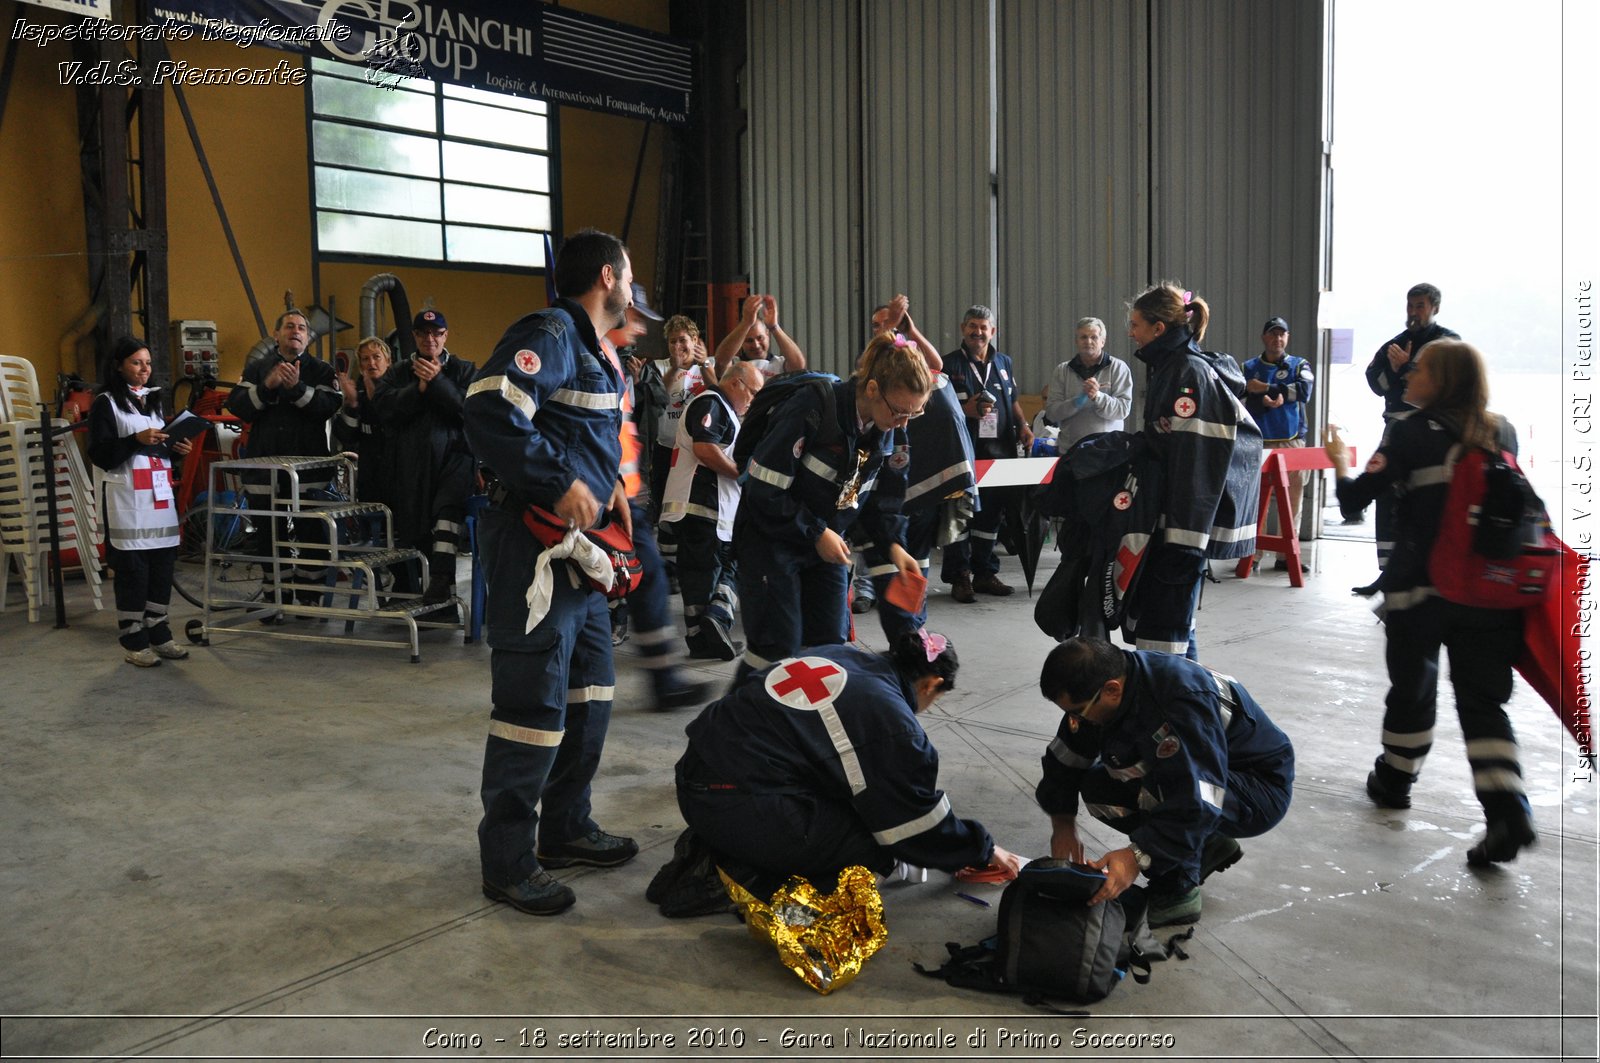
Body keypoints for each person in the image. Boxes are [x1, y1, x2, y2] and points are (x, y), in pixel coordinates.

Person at [463, 228, 637, 917]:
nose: (631, 290)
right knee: (530, 709)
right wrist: (559, 479)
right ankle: (507, 862)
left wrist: (612, 485)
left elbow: (580, 429)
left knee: (590, 693)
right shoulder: (553, 331)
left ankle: (566, 826)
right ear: (606, 276)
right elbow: (489, 406)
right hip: (535, 551)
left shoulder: (595, 351)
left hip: (583, 557)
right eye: (628, 278)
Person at [1326, 339, 1534, 866]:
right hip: (1489, 593)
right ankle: (1507, 809)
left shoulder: (1409, 431)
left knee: (1413, 690)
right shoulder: (1501, 429)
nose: (1410, 375)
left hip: (1421, 591)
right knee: (1483, 705)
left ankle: (1395, 781)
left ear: (1439, 381)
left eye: (1419, 370)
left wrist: (1338, 464)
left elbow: (1353, 504)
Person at [677, 632, 1025, 898]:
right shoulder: (893, 724)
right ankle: (759, 875)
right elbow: (911, 824)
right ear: (932, 684)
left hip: (695, 780)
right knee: (878, 843)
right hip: (731, 806)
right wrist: (982, 849)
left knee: (858, 803)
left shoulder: (841, 654)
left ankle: (751, 845)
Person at [1035, 637, 1294, 926]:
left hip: (1257, 789)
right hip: (1208, 777)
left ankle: (1178, 886)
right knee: (1099, 789)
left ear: (1112, 690)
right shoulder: (1105, 684)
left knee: (1162, 787)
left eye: (1077, 711)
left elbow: (1197, 796)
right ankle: (1206, 843)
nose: (1074, 720)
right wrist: (1063, 824)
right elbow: (1067, 759)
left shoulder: (1177, 699)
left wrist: (1137, 856)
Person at [732, 331, 925, 683]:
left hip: (825, 546)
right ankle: (732, 729)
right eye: (900, 411)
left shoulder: (888, 427)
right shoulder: (811, 407)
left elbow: (878, 501)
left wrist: (893, 543)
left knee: (830, 652)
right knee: (774, 653)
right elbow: (764, 491)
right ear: (871, 390)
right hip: (770, 542)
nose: (904, 423)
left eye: (915, 412)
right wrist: (817, 531)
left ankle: (812, 734)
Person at [1124, 282, 1262, 658]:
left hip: (1182, 527)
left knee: (1165, 626)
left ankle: (1174, 705)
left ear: (1159, 329)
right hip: (1173, 521)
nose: (1130, 332)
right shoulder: (1172, 367)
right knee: (1173, 621)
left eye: (1135, 324)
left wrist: (1184, 537)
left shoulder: (1187, 372)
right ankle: (1184, 700)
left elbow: (1196, 461)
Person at [601, 285, 715, 710]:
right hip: (604, 498)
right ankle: (660, 682)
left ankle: (665, 681)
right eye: (635, 316)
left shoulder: (613, 363)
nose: (641, 326)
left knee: (647, 578)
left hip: (625, 497)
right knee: (632, 580)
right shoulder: (593, 359)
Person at [223, 309, 343, 604]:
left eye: (302, 327)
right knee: (268, 534)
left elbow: (329, 406)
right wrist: (268, 387)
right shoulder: (257, 368)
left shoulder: (321, 371)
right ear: (276, 335)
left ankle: (309, 596)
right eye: (289, 326)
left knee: (312, 531)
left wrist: (297, 389)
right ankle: (276, 596)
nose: (296, 331)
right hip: (264, 468)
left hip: (309, 470)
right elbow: (237, 405)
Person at [88, 337, 194, 666]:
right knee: (133, 570)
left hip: (159, 497)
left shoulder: (155, 402)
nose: (144, 369)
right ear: (119, 366)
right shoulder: (105, 403)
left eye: (147, 363)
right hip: (127, 499)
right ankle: (134, 638)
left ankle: (160, 631)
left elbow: (157, 449)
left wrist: (176, 451)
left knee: (162, 565)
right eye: (136, 362)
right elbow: (101, 453)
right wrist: (135, 439)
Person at [659, 360, 765, 660]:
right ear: (735, 383)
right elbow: (705, 448)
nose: (754, 400)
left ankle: (700, 638)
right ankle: (717, 617)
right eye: (754, 393)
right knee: (722, 568)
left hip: (707, 510)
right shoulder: (712, 402)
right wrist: (738, 473)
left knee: (699, 578)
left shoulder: (723, 408)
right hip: (703, 507)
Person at [371, 310, 478, 603]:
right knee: (414, 530)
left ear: (446, 335)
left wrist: (439, 383)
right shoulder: (398, 373)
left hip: (454, 462)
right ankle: (419, 598)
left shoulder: (464, 370)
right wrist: (418, 390)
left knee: (447, 515)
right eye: (424, 334)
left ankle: (442, 584)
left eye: (436, 333)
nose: (430, 339)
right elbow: (384, 409)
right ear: (415, 337)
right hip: (410, 465)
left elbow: (471, 411)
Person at [1360, 283, 1460, 588]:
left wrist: (1408, 367)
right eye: (1410, 305)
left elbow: (1448, 382)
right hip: (1394, 431)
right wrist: (1394, 371)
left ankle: (1431, 570)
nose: (1413, 312)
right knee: (1385, 495)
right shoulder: (1395, 343)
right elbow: (1374, 382)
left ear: (1435, 308)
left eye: (1420, 306)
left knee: (1430, 499)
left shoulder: (1448, 343)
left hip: (1433, 433)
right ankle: (1387, 571)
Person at [941, 304, 1033, 600]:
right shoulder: (948, 365)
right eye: (972, 326)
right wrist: (964, 410)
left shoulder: (1004, 362)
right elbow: (935, 409)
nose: (978, 332)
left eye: (983, 327)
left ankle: (985, 573)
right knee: (960, 515)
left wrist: (1023, 425)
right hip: (962, 452)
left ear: (992, 332)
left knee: (991, 517)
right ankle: (960, 577)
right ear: (963, 329)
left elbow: (1014, 400)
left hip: (1000, 453)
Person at [1243, 317, 1315, 573]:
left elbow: (1304, 391)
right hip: (1258, 441)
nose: (1277, 339)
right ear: (1264, 337)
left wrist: (1267, 388)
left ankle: (1286, 555)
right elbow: (1240, 400)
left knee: (1292, 500)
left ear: (1288, 337)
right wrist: (1259, 400)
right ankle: (1252, 554)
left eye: (1282, 334)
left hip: (1292, 440)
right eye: (1272, 334)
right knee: (1255, 501)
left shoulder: (1299, 365)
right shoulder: (1249, 366)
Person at [1044, 316, 1134, 449]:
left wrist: (1098, 397)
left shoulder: (1118, 368)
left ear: (1103, 341)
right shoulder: (1062, 370)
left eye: (1094, 337)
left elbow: (1122, 410)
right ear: (1076, 341)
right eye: (1083, 337)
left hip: (1108, 451)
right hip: (1070, 451)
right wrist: (1076, 402)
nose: (1088, 341)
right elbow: (1052, 413)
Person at [333, 336, 394, 520]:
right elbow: (346, 437)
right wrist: (351, 404)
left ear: (388, 362)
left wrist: (377, 399)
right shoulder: (357, 395)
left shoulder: (400, 392)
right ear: (360, 366)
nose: (371, 363)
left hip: (398, 477)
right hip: (370, 478)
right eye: (365, 359)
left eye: (376, 357)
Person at [712, 293, 807, 380]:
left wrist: (774, 327)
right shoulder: (734, 365)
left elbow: (798, 365)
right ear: (741, 343)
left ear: (767, 334)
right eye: (749, 341)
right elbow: (720, 362)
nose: (756, 345)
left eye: (760, 338)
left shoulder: (778, 364)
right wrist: (746, 323)